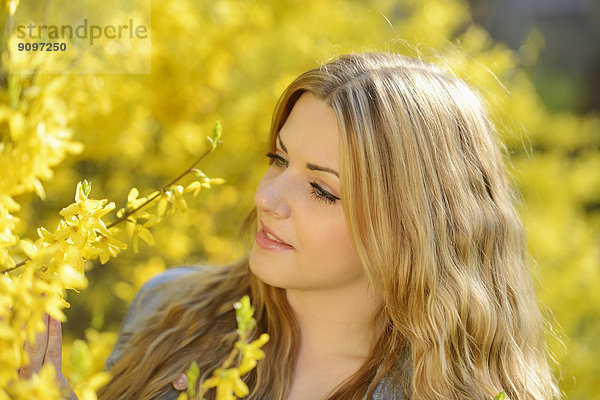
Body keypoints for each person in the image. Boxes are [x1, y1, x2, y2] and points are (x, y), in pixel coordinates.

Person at [22, 52, 560, 400]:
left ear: (412, 229)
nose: (266, 198)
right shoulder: (169, 312)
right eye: (278, 160)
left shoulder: (456, 392)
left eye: (322, 189)